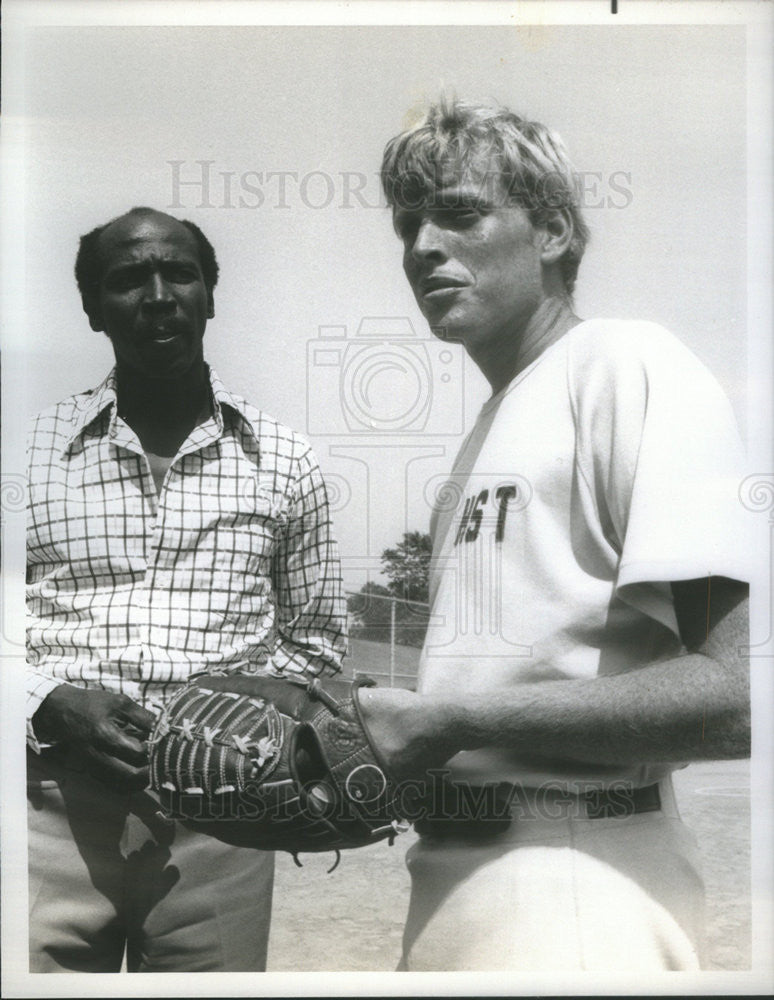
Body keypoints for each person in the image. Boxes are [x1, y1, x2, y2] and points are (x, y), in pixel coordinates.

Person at [356, 100, 751, 971]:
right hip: (460, 876)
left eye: (459, 212)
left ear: (554, 231)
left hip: (575, 876)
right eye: (409, 224)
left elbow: (731, 698)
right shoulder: (488, 429)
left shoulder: (624, 365)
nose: (422, 246)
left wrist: (450, 720)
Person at [26, 206, 346, 972]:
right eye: (129, 278)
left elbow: (314, 643)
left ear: (210, 294)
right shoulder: (26, 453)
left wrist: (224, 730)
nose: (159, 294)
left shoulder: (287, 461)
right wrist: (48, 702)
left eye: (181, 273)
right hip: (44, 812)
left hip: (224, 822)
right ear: (92, 308)